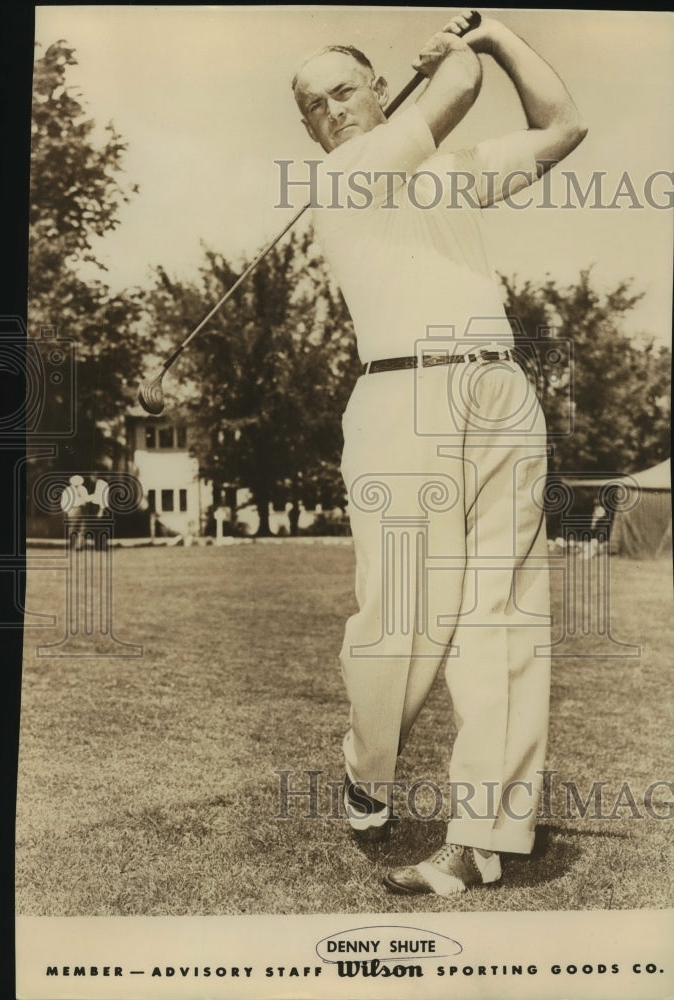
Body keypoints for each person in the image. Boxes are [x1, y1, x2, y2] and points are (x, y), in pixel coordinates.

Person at [291, 10, 586, 896]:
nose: (331, 111)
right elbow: (455, 90)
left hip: (497, 388)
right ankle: (366, 766)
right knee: (400, 624)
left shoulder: (447, 176)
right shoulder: (344, 174)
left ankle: (482, 837)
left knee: (500, 615)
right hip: (397, 396)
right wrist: (461, 55)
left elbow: (562, 127)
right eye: (312, 105)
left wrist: (496, 36)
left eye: (345, 89)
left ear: (381, 91)